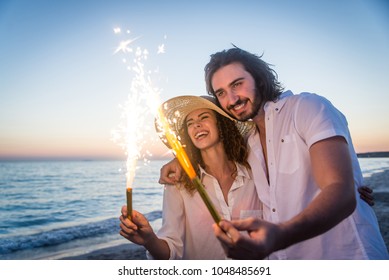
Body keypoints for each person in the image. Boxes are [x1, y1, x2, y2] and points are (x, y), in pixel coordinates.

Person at [159, 47, 388, 259]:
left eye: (237, 84)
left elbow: (340, 189)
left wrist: (281, 235)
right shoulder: (248, 143)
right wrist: (181, 158)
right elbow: (215, 150)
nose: (232, 99)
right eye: (221, 92)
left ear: (259, 78)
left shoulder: (307, 108)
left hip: (346, 255)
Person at [119, 95, 261, 259]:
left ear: (222, 123)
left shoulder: (255, 172)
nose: (196, 125)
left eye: (204, 117)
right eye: (190, 123)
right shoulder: (178, 183)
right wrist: (149, 240)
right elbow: (171, 250)